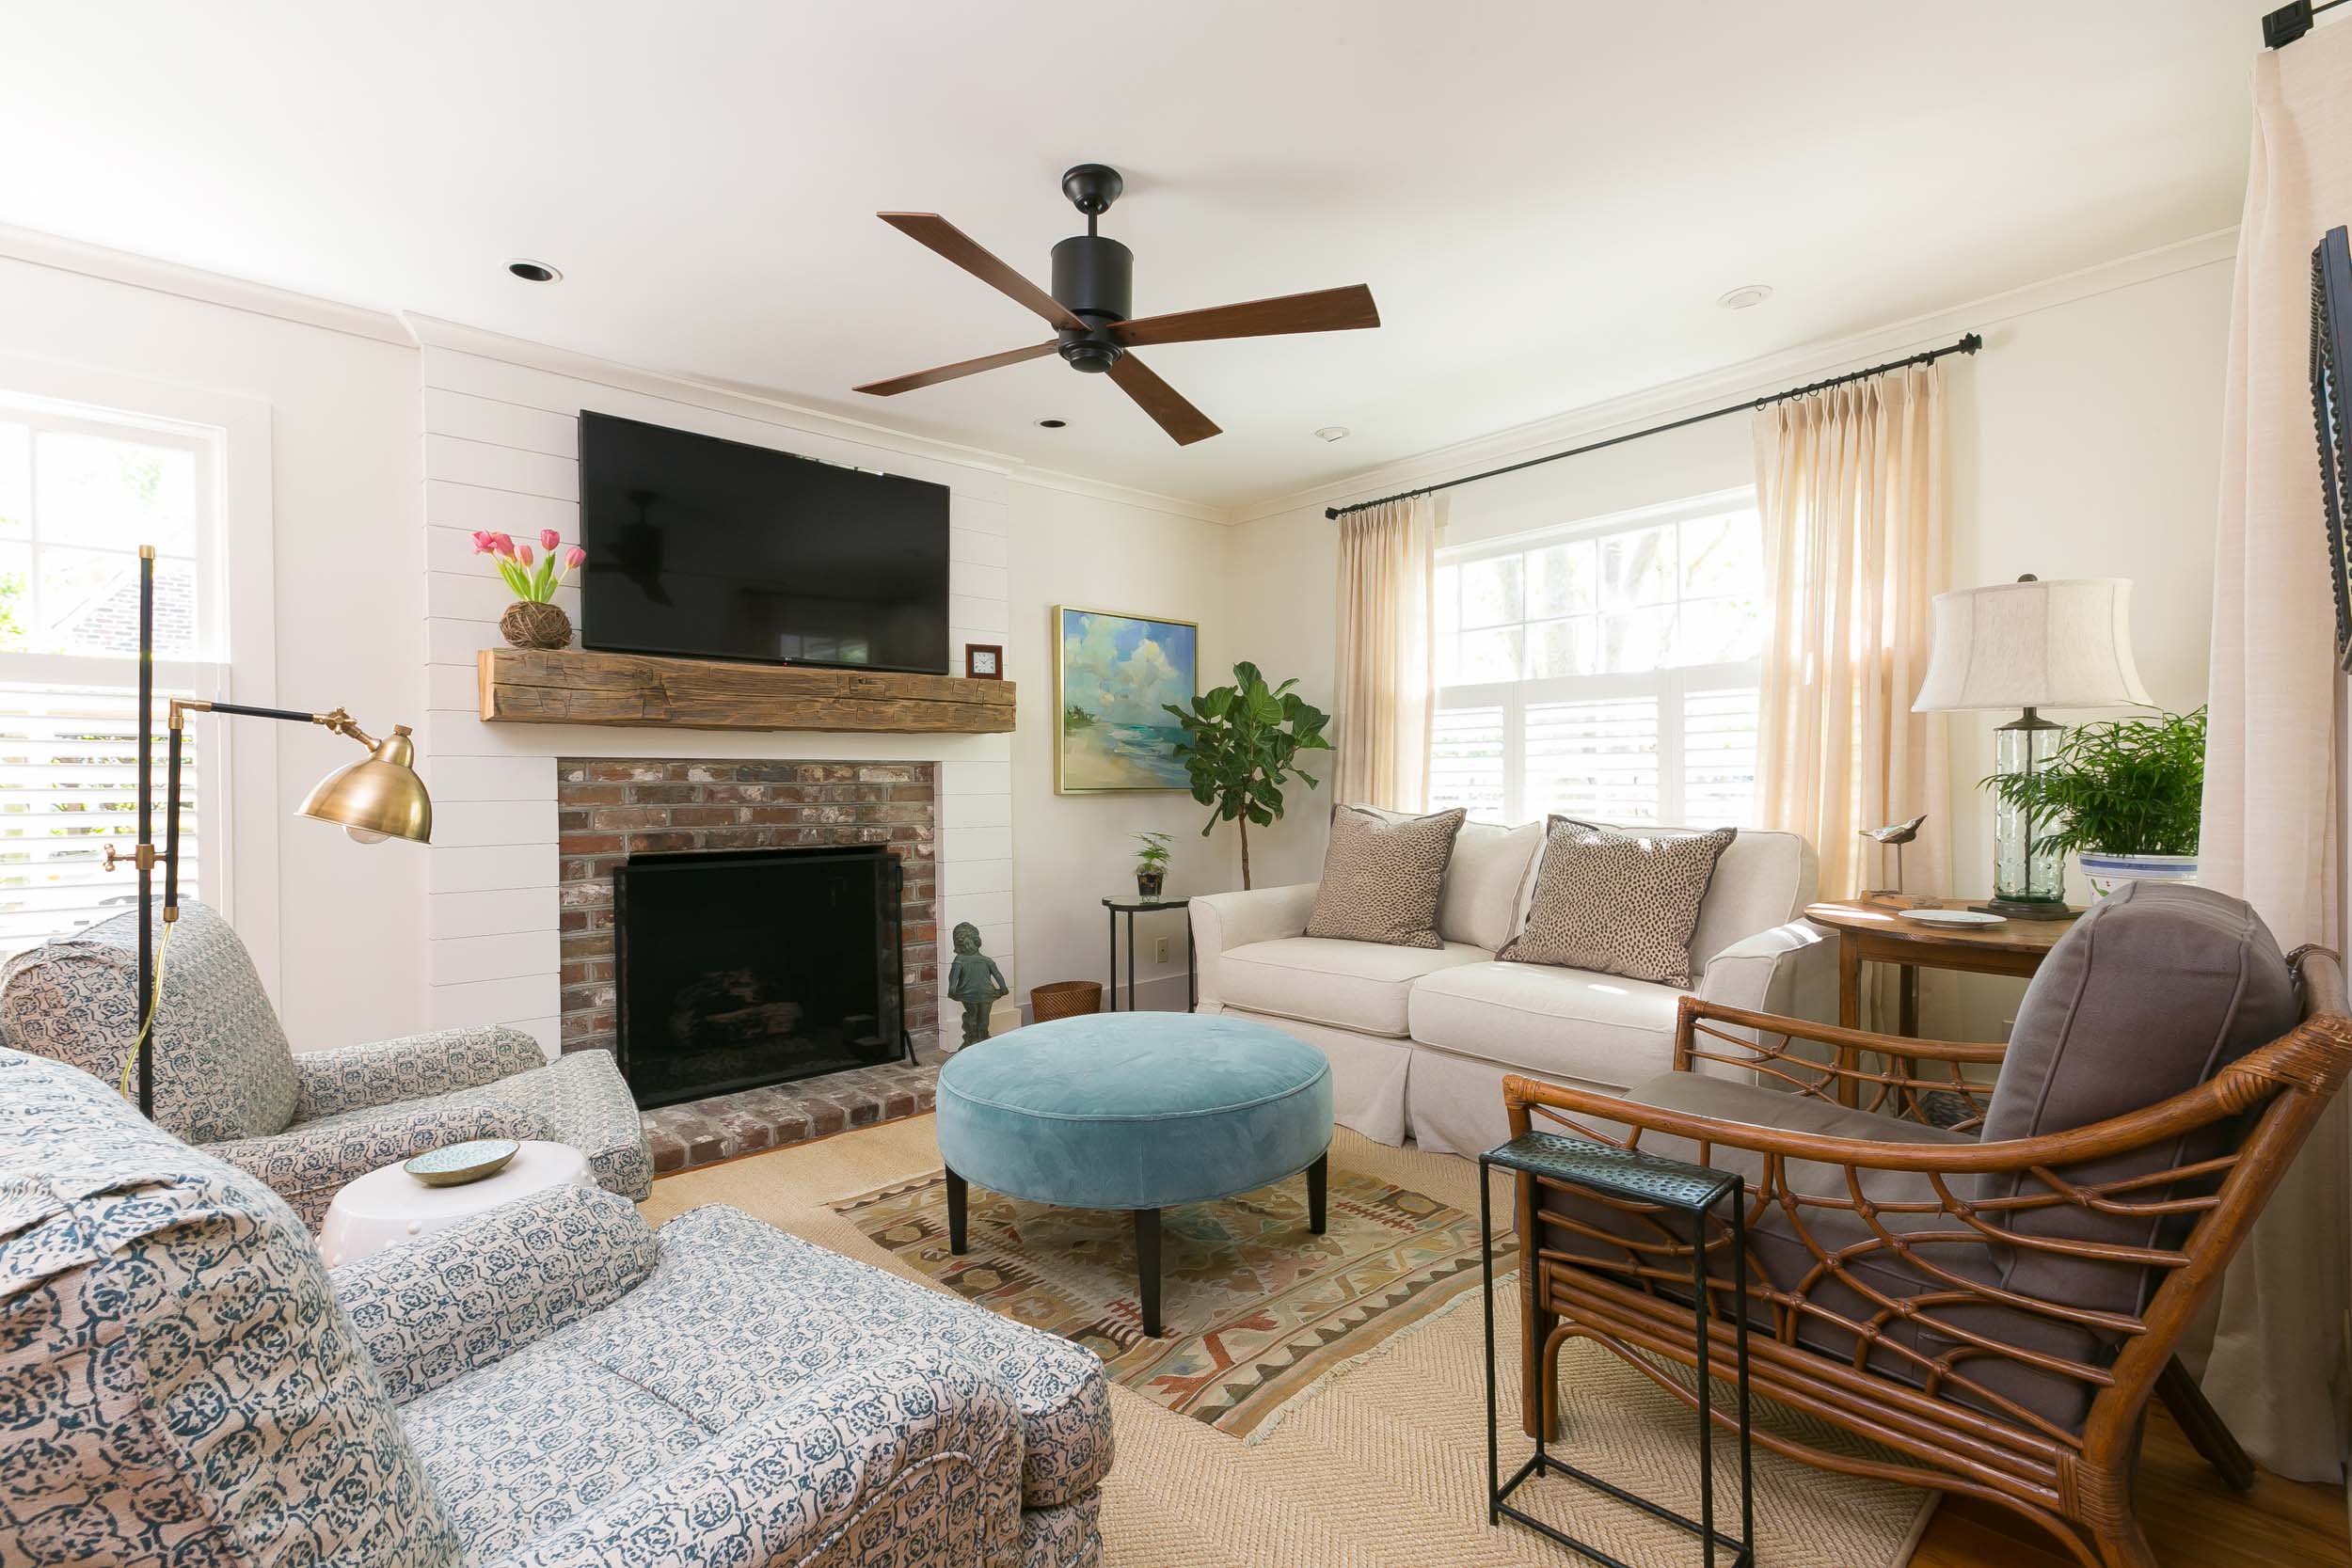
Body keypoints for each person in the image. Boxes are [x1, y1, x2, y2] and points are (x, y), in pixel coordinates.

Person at [946, 921, 1009, 1047]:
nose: (966, 948)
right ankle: (973, 1040)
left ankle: (983, 1038)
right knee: (972, 1018)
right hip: (968, 994)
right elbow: (953, 976)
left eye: (967, 944)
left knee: (984, 1020)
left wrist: (1003, 987)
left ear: (976, 941)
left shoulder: (987, 961)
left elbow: (997, 974)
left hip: (987, 993)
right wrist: (952, 989)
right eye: (962, 946)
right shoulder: (960, 960)